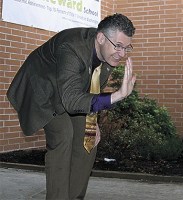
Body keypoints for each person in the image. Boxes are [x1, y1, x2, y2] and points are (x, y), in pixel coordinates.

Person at [6, 13, 136, 199]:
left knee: (89, 137)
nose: (122, 54)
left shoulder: (109, 56)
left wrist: (93, 121)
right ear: (100, 38)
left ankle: (74, 196)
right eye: (119, 46)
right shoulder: (72, 47)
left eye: (127, 47)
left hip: (70, 91)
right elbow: (71, 100)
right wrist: (117, 96)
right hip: (43, 91)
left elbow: (92, 89)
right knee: (63, 135)